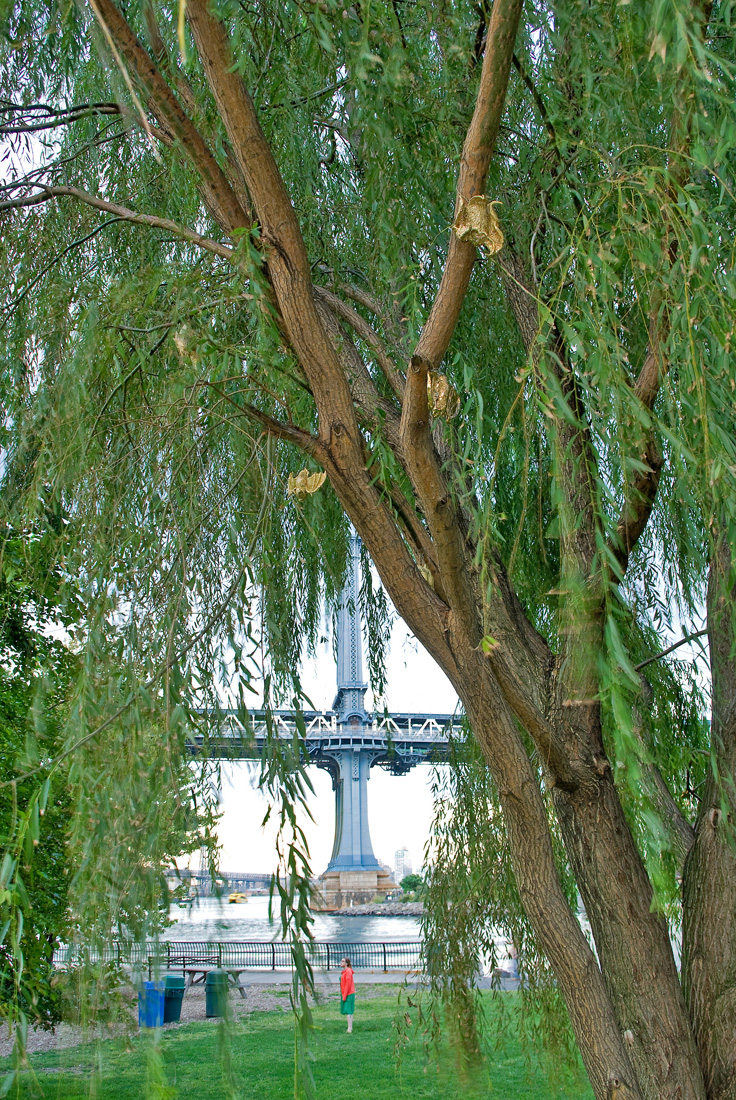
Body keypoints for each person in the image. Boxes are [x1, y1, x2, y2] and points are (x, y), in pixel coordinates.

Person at [339, 956, 355, 1033]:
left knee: (349, 1011)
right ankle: (349, 1027)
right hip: (345, 993)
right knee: (347, 1010)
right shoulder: (344, 972)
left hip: (349, 993)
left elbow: (348, 984)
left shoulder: (348, 971)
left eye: (343, 961)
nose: (341, 962)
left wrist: (345, 995)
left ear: (346, 963)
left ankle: (350, 1028)